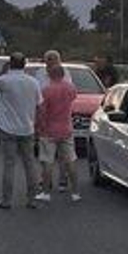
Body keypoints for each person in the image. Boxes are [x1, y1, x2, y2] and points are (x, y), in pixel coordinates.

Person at [0, 51, 42, 210]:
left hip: (7, 128)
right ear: (25, 64)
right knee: (29, 163)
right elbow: (39, 104)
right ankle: (32, 199)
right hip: (27, 127)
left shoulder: (4, 80)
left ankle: (6, 200)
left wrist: (1, 72)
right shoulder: (33, 82)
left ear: (10, 63)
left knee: (9, 164)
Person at [36, 50, 81, 203]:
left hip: (49, 129)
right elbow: (73, 99)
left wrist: (39, 127)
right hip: (66, 128)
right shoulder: (70, 88)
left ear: (50, 75)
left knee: (47, 161)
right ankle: (75, 192)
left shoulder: (46, 91)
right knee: (70, 160)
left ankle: (46, 192)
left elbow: (42, 111)